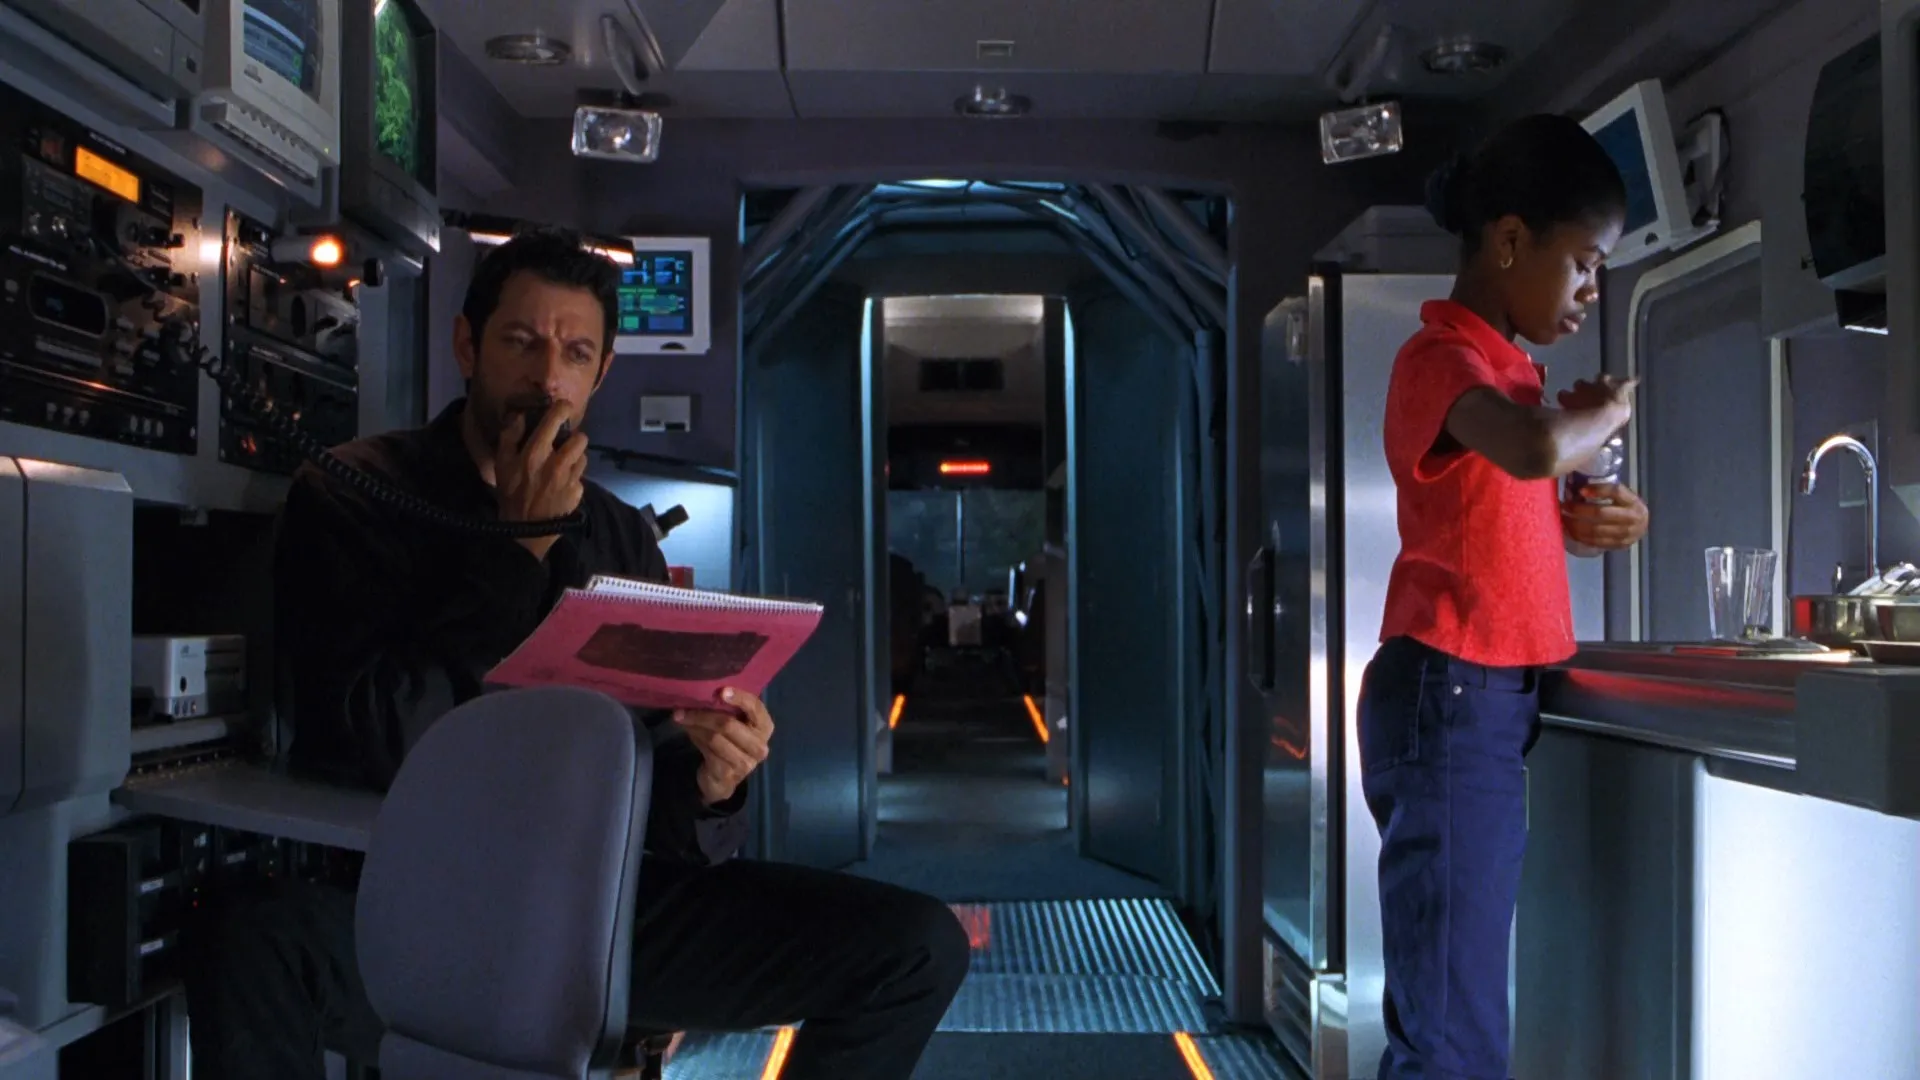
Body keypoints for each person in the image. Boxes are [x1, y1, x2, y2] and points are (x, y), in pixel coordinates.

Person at [180, 229, 970, 1080]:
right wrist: (516, 548)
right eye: (521, 342)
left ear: (601, 375)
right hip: (412, 904)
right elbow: (380, 741)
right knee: (245, 936)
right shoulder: (354, 493)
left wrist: (713, 783)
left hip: (600, 911)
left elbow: (659, 790)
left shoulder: (620, 535)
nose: (547, 377)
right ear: (467, 347)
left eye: (576, 353)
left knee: (917, 947)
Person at [1358, 114, 1652, 1079]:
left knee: (1461, 1009)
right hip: (1449, 692)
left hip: (1483, 698)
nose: (1591, 291)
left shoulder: (1517, 378)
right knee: (1450, 1029)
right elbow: (1529, 451)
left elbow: (1507, 509)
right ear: (1512, 240)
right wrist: (1605, 415)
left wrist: (1598, 517)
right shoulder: (1443, 360)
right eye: (1584, 264)